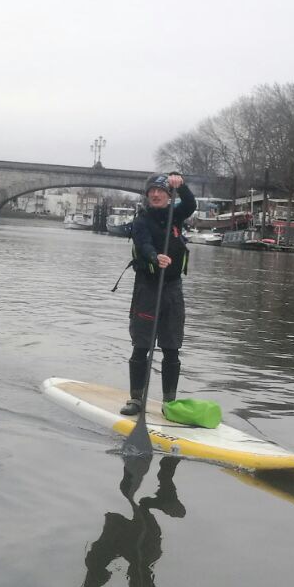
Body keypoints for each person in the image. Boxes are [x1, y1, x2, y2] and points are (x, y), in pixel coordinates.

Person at [109, 172, 195, 416]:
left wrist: (182, 185)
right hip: (147, 288)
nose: (155, 195)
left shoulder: (176, 215)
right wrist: (155, 257)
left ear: (168, 195)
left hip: (172, 289)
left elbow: (190, 204)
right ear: (147, 196)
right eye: (152, 192)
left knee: (171, 347)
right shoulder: (141, 220)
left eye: (161, 191)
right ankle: (136, 400)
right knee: (141, 345)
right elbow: (144, 244)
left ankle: (169, 403)